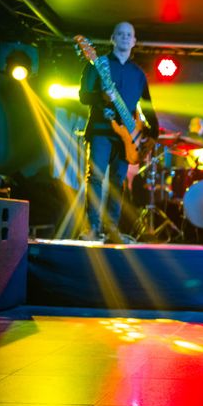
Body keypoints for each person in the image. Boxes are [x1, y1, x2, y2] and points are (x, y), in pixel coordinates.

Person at [79, 21, 158, 243]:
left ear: (134, 41)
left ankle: (111, 229)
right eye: (120, 34)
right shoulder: (98, 64)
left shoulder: (138, 74)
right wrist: (100, 97)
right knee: (95, 178)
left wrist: (153, 134)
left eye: (129, 35)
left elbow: (148, 105)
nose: (124, 37)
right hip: (101, 130)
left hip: (127, 138)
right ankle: (92, 228)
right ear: (113, 38)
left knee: (118, 180)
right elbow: (83, 96)